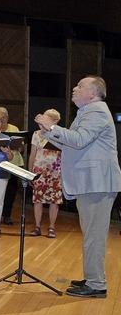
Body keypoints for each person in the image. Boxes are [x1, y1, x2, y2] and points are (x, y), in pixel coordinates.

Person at [35, 75, 121, 298]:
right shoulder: (87, 113)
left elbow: (80, 139)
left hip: (96, 182)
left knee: (94, 235)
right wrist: (47, 132)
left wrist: (52, 127)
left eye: (80, 86)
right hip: (90, 183)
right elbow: (71, 144)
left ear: (93, 93)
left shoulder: (97, 111)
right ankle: (92, 278)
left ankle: (96, 284)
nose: (74, 88)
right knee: (91, 234)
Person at [28, 109, 63, 238]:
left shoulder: (60, 134)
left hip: (56, 170)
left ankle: (51, 227)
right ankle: (37, 226)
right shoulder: (36, 134)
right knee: (38, 199)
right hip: (39, 170)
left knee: (54, 200)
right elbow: (32, 154)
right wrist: (30, 172)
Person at [0, 107, 23, 225]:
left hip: (13, 163)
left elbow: (21, 147)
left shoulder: (14, 129)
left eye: (5, 117)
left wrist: (16, 145)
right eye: (0, 117)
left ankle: (6, 215)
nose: (2, 120)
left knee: (10, 191)